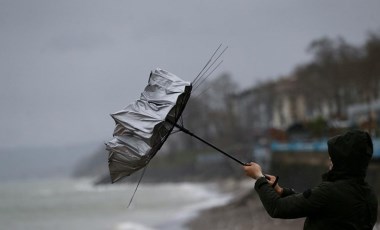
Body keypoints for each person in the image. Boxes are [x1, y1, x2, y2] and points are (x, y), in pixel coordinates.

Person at [243, 130, 378, 229]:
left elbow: (277, 208)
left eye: (333, 158)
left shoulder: (329, 192)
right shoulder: (369, 195)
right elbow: (318, 204)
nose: (329, 160)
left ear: (344, 161)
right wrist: (281, 191)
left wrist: (259, 177)